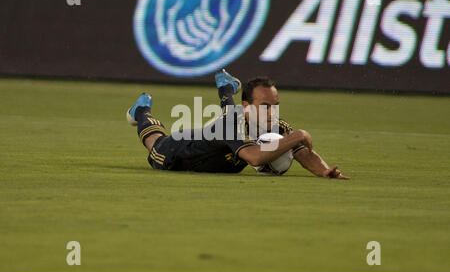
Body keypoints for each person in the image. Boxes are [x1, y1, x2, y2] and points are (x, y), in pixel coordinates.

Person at [126, 70, 349, 179]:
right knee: (155, 141)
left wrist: (324, 170)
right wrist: (298, 134)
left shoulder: (275, 124)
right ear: (247, 105)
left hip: (219, 129)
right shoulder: (232, 124)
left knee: (231, 114)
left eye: (276, 105)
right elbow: (254, 156)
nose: (272, 112)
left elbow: (302, 152)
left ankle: (225, 86)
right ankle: (141, 111)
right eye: (265, 106)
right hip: (177, 154)